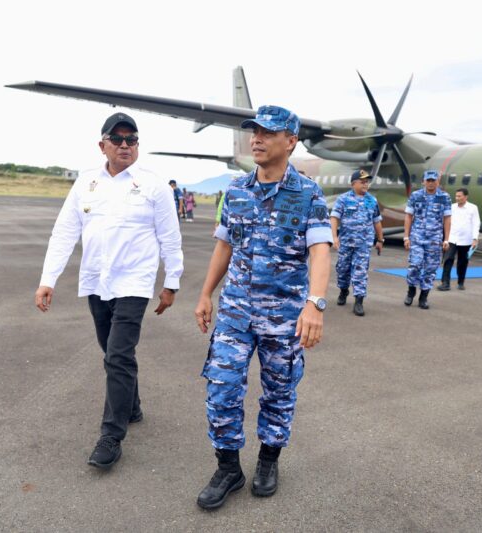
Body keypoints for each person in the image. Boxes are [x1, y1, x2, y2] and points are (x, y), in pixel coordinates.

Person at [193, 105, 332, 509]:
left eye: (268, 133)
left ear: (290, 141)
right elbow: (224, 245)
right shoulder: (236, 190)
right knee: (221, 389)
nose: (257, 138)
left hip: (284, 317)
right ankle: (228, 467)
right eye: (254, 131)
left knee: (279, 392)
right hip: (235, 313)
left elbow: (320, 251)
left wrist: (315, 304)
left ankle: (268, 460)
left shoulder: (308, 194)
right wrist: (205, 294)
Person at [34, 112, 183, 470]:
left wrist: (171, 283)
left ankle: (111, 435)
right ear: (102, 145)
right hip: (97, 283)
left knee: (118, 354)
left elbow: (170, 238)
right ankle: (131, 407)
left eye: (131, 139)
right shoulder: (86, 184)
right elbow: (65, 232)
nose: (125, 145)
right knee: (112, 352)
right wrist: (47, 279)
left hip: (134, 283)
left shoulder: (154, 186)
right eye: (117, 139)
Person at [330, 168, 384, 316]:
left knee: (360, 272)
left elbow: (377, 221)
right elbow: (334, 218)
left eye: (367, 182)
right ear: (353, 184)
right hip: (346, 242)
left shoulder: (371, 200)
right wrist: (334, 237)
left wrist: (380, 239)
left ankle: (359, 301)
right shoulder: (343, 199)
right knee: (342, 269)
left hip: (363, 244)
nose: (365, 185)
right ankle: (343, 290)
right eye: (362, 182)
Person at [403, 170, 451, 309]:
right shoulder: (415, 196)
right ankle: (411, 290)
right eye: (428, 180)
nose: (431, 183)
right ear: (423, 181)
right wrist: (406, 236)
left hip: (434, 239)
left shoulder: (444, 197)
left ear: (438, 181)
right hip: (417, 237)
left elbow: (447, 218)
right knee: (415, 265)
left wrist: (446, 239)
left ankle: (423, 297)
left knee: (430, 269)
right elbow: (408, 216)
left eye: (433, 180)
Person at [438, 187, 480, 291]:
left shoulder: (473, 208)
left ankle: (461, 282)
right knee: (447, 259)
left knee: (462, 262)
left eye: (459, 196)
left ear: (466, 197)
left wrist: (475, 238)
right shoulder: (451, 207)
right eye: (456, 196)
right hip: (452, 238)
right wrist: (445, 238)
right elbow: (446, 221)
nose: (457, 198)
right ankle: (445, 283)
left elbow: (476, 223)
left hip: (466, 240)